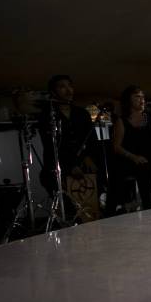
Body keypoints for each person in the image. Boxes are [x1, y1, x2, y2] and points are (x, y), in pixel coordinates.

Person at [38, 75, 96, 217]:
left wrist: (87, 158)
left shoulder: (82, 113)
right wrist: (70, 166)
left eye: (69, 86)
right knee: (68, 207)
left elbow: (91, 140)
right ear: (53, 92)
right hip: (57, 168)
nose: (68, 90)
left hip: (84, 164)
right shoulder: (47, 115)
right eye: (62, 86)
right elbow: (51, 146)